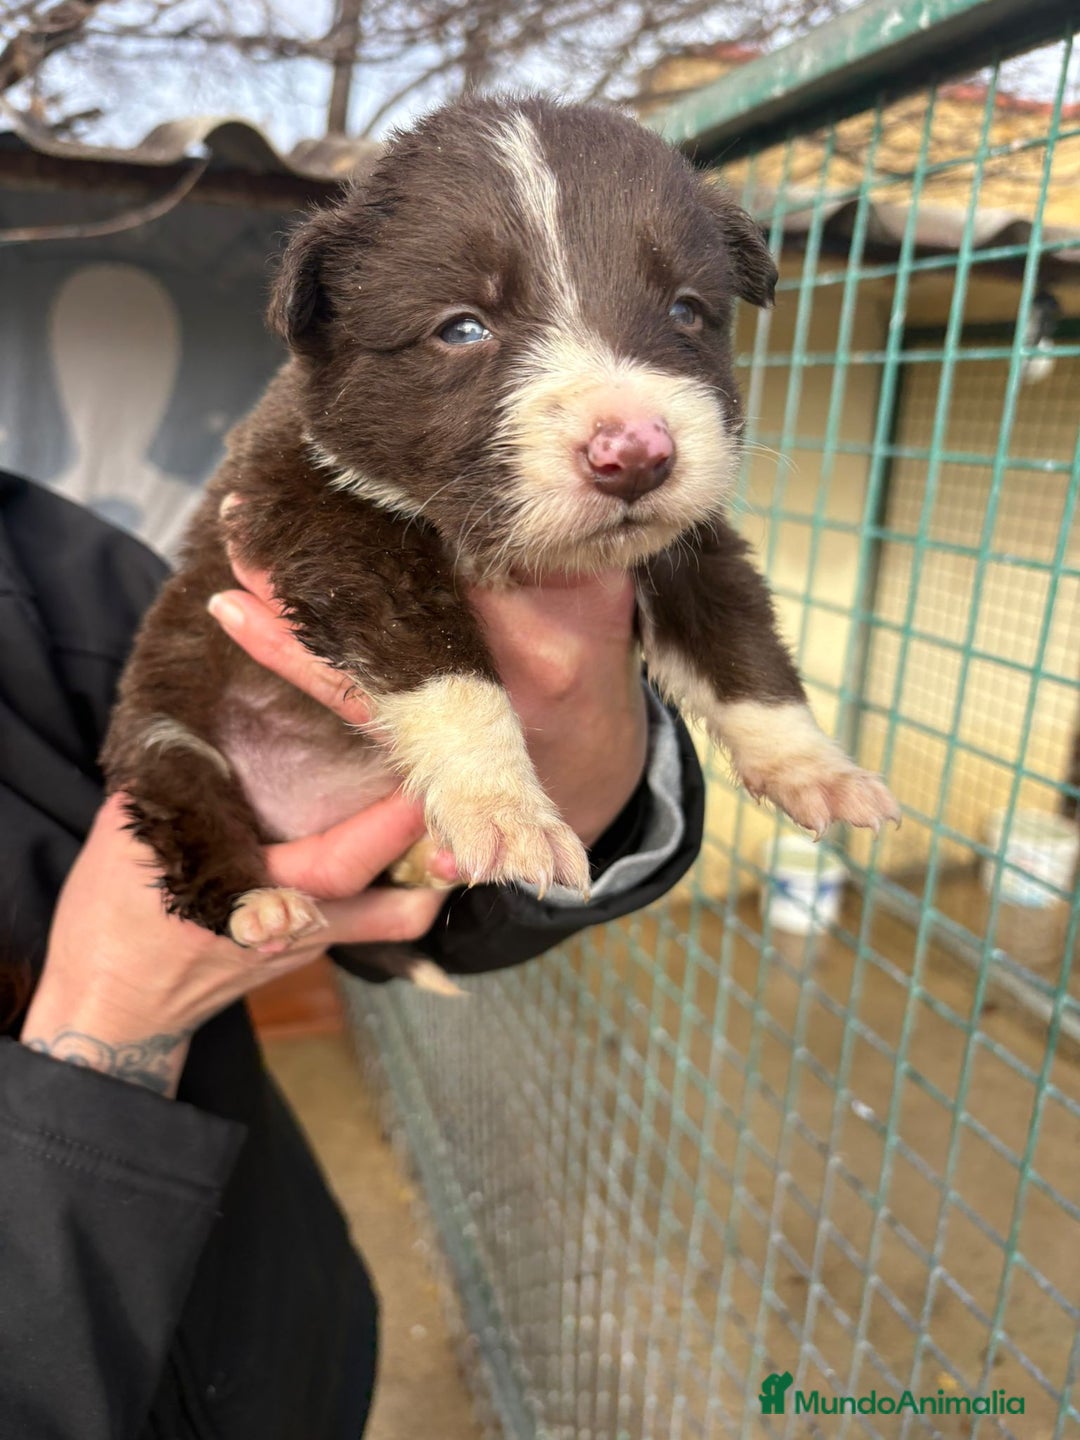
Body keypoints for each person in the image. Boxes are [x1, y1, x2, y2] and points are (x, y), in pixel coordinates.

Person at [0, 470, 704, 1439]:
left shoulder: (39, 563)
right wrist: (115, 1013)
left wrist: (585, 791)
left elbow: (358, 847)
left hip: (276, 1331)